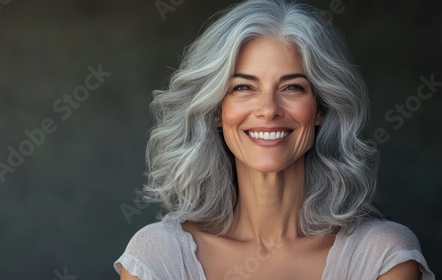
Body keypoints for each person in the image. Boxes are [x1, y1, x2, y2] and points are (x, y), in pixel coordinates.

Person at [114, 0, 435, 279]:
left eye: (292, 87)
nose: (268, 110)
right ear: (215, 111)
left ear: (321, 108)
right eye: (243, 87)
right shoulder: (158, 257)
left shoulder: (381, 256)